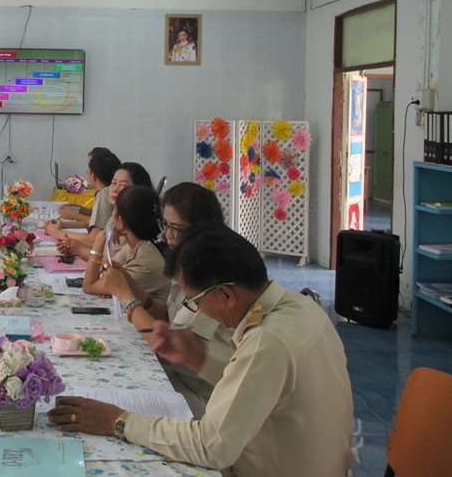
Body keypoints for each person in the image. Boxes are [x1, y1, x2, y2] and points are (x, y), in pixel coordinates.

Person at [48, 223, 355, 477]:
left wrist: (117, 421)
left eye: (195, 301)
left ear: (225, 294)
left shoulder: (267, 340)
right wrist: (197, 358)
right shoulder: (301, 308)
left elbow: (212, 446)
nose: (199, 311)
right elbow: (258, 385)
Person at [99, 182, 229, 417]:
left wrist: (125, 296)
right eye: (165, 225)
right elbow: (168, 317)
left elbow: (165, 342)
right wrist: (130, 285)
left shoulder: (211, 279)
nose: (167, 235)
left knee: (116, 405)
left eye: (176, 229)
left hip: (202, 395)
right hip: (174, 373)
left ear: (203, 229)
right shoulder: (185, 262)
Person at [75, 185, 171, 302]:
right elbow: (106, 270)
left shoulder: (144, 261)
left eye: (114, 209)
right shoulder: (141, 245)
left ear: (121, 221)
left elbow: (89, 286)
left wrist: (102, 237)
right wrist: (108, 286)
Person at [45, 149, 120, 249]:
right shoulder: (107, 192)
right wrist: (62, 225)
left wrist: (57, 233)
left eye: (89, 166)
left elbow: (93, 240)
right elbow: (90, 222)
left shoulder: (105, 194)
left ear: (93, 175)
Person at [56, 147, 113, 229]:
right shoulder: (101, 192)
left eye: (90, 166)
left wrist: (74, 215)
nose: (87, 171)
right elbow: (97, 215)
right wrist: (80, 209)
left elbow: (96, 224)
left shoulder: (105, 195)